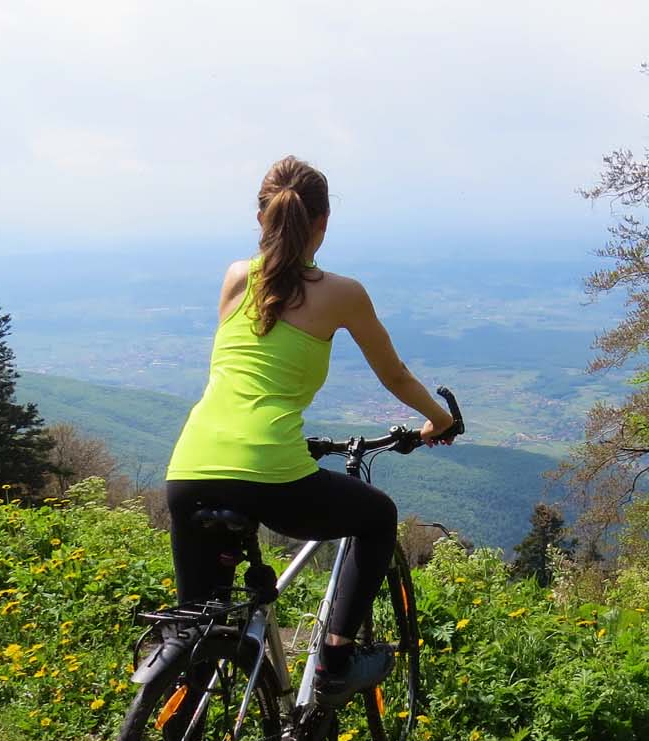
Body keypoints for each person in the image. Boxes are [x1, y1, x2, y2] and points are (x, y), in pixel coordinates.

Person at [165, 155, 455, 709]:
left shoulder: (233, 277)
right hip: (269, 470)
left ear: (261, 218)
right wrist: (439, 421)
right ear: (322, 223)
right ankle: (334, 664)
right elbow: (394, 374)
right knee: (377, 516)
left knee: (200, 627)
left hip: (190, 467)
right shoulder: (341, 292)